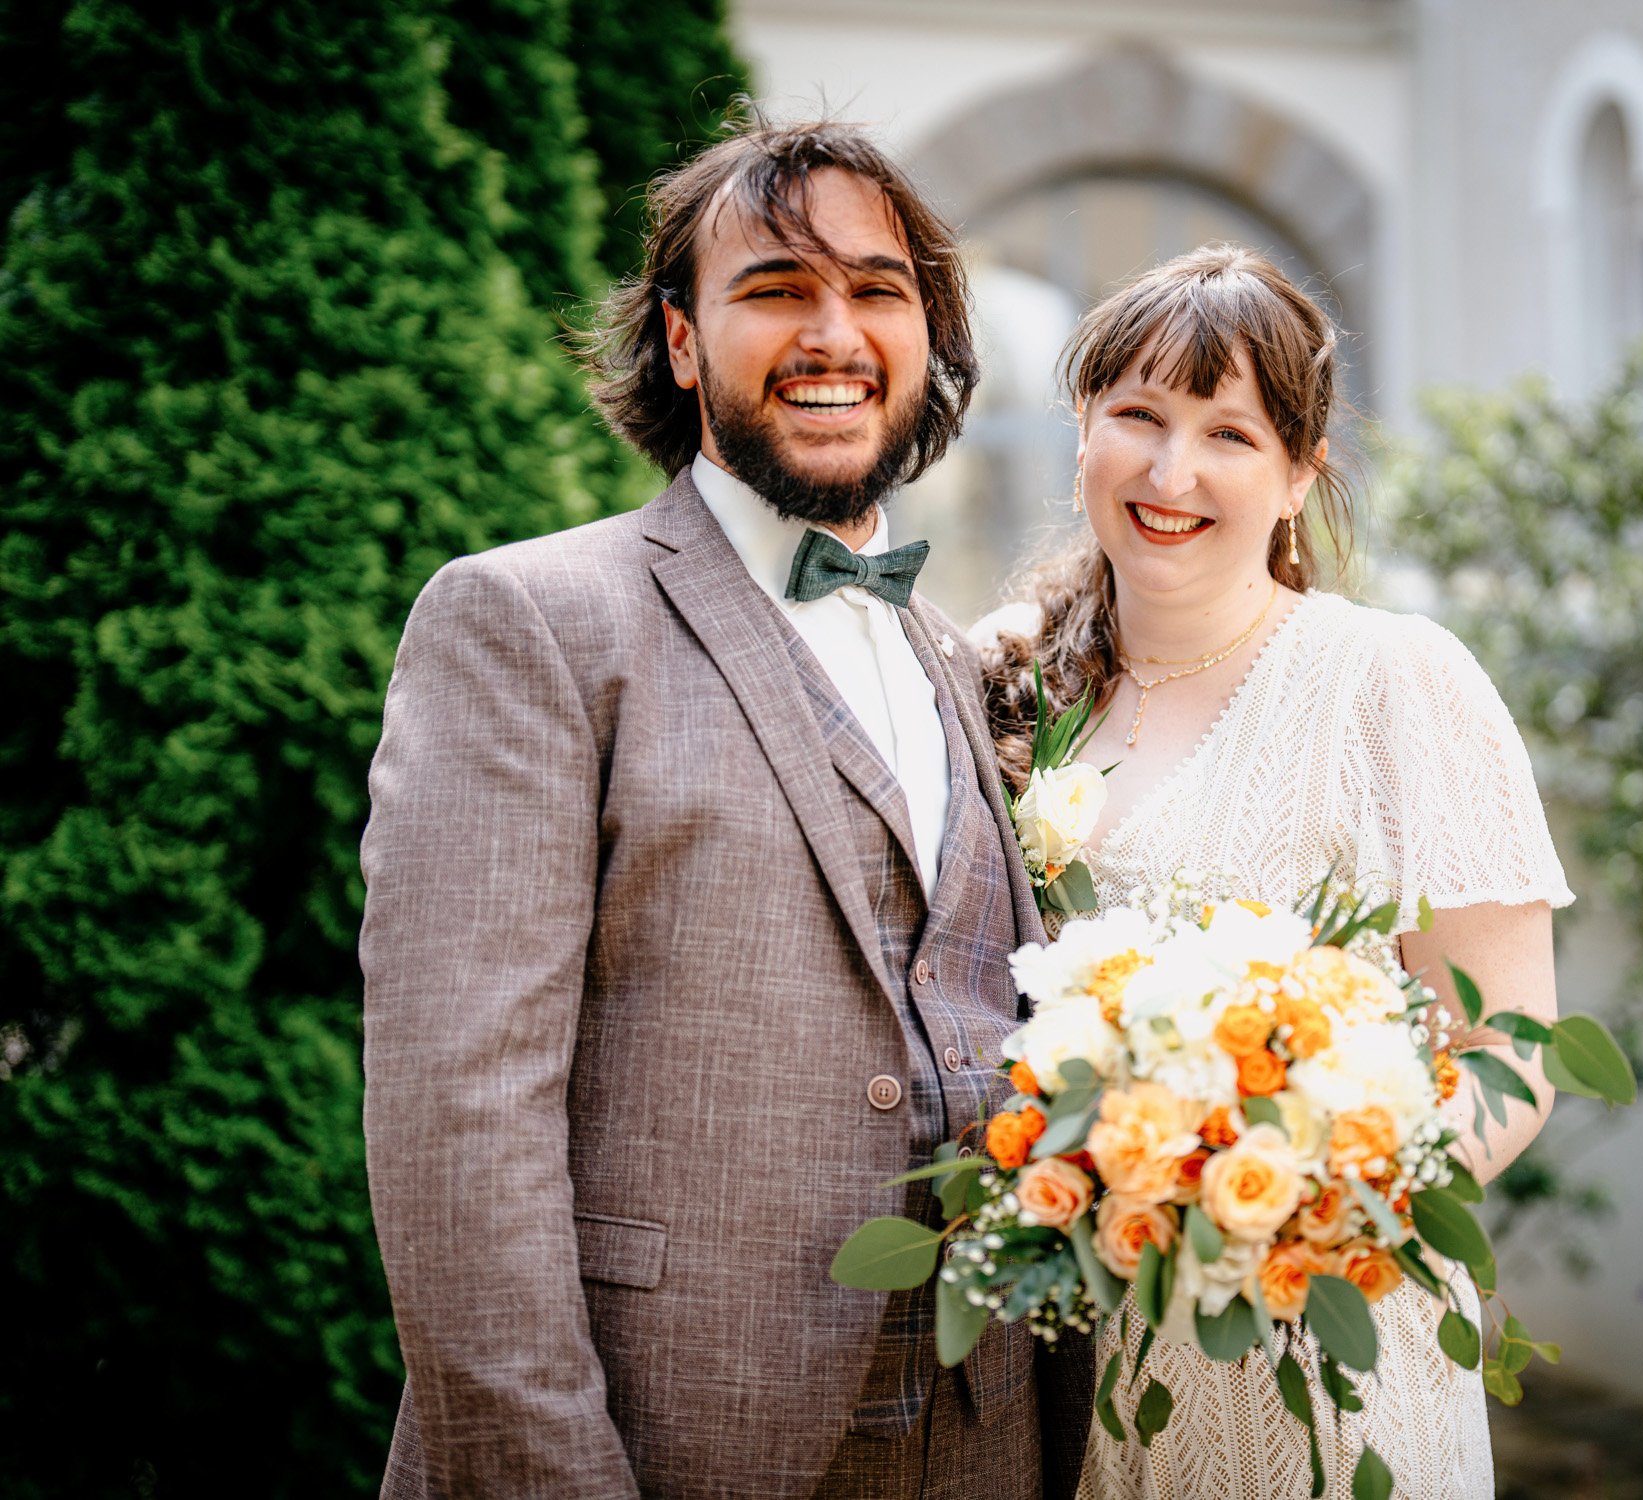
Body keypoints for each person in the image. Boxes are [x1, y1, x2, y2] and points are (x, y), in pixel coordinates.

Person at [359, 116, 1089, 1500]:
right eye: (775, 290)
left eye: (879, 291)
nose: (835, 332)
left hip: (989, 1441)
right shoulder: (530, 621)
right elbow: (460, 1124)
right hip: (667, 1437)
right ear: (685, 341)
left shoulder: (955, 656)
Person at [980, 245, 1574, 1499]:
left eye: (1227, 434)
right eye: (1134, 416)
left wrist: (1302, 1196)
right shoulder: (1003, 682)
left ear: (1299, 472)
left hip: (1322, 1349)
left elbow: (1508, 1053)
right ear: (1081, 427)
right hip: (1067, 1368)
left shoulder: (1395, 685)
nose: (1170, 471)